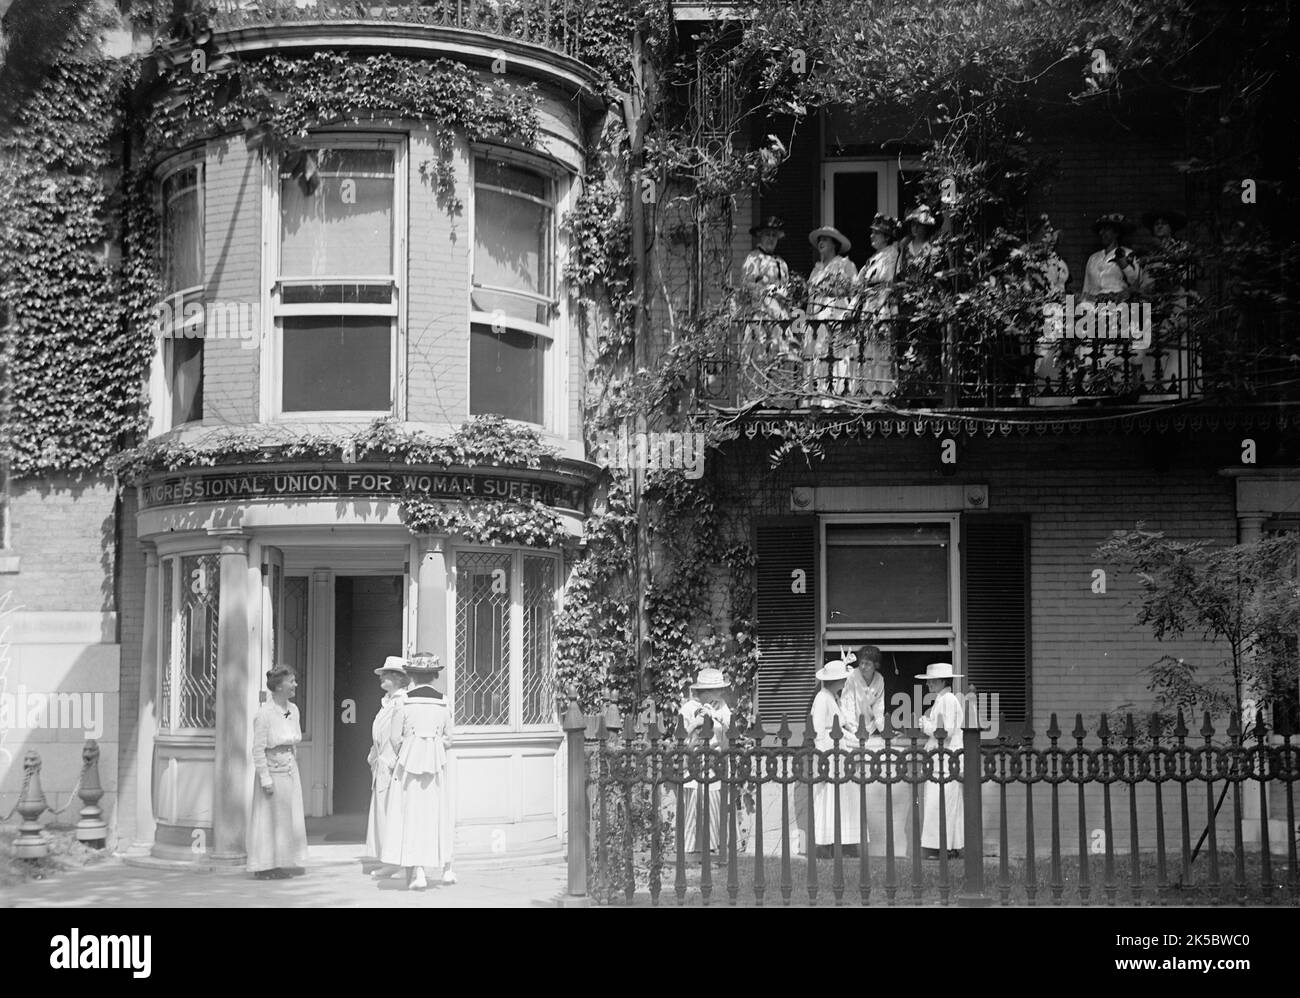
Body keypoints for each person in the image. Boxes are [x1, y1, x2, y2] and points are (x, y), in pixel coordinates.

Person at [381, 651, 454, 890]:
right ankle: (445, 868)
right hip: (435, 766)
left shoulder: (404, 701)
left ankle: (418, 871)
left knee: (411, 816)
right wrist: (432, 745)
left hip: (409, 766)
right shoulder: (444, 701)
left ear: (411, 674)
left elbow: (394, 738)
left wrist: (410, 749)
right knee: (436, 814)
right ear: (434, 675)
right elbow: (448, 738)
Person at [248, 665, 309, 880]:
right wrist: (265, 778)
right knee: (269, 818)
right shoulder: (264, 714)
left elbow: (292, 738)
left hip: (290, 769)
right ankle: (264, 865)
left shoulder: (293, 710)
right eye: (291, 681)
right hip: (272, 770)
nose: (295, 685)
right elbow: (257, 749)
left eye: (294, 680)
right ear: (279, 686)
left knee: (286, 818)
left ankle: (281, 861)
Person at [679, 667, 732, 859]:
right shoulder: (687, 709)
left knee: (713, 803)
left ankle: (711, 848)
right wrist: (696, 723)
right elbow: (682, 740)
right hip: (693, 762)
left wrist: (717, 718)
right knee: (693, 804)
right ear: (706, 691)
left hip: (714, 761)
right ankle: (690, 850)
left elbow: (728, 736)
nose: (721, 692)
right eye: (717, 689)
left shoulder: (722, 706)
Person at [739, 216, 794, 400]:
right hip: (761, 313)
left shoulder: (782, 262)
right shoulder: (754, 258)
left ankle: (778, 400)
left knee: (781, 354)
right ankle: (756, 398)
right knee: (759, 354)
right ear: (760, 237)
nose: (771, 239)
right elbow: (746, 285)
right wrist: (765, 290)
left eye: (774, 235)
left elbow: (787, 290)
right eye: (768, 235)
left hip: (780, 316)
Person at [365, 655, 410, 879]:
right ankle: (389, 860)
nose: (382, 677)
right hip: (381, 765)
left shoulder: (402, 701)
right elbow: (381, 732)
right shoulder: (387, 701)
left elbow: (401, 734)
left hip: (393, 766)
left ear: (398, 678)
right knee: (383, 815)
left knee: (393, 814)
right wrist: (374, 754)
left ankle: (400, 862)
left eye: (387, 674)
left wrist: (395, 760)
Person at [810, 657, 859, 857]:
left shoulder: (832, 697)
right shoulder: (822, 698)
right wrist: (823, 759)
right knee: (829, 797)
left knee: (843, 799)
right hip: (829, 754)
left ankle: (845, 842)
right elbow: (819, 730)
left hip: (839, 751)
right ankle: (826, 845)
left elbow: (838, 725)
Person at [916, 662, 964, 859]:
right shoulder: (942, 699)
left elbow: (946, 730)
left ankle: (941, 847)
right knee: (942, 803)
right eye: (928, 681)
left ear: (943, 680)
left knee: (940, 803)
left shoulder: (948, 700)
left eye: (933, 680)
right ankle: (945, 846)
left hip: (945, 761)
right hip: (940, 761)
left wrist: (925, 725)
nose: (929, 684)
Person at [807, 224, 858, 400]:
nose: (821, 242)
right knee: (818, 357)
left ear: (834, 244)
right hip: (816, 322)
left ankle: (837, 397)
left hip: (836, 317)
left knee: (837, 356)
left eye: (825, 239)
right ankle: (819, 396)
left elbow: (855, 292)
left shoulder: (844, 265)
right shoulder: (816, 270)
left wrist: (848, 315)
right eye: (819, 239)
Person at [853, 214, 900, 401]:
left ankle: (882, 394)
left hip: (880, 307)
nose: (872, 236)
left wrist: (877, 309)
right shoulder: (872, 258)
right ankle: (869, 392)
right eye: (872, 233)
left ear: (886, 237)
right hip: (868, 306)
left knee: (881, 350)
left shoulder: (891, 254)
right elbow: (860, 285)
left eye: (877, 233)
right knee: (868, 351)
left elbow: (887, 283)